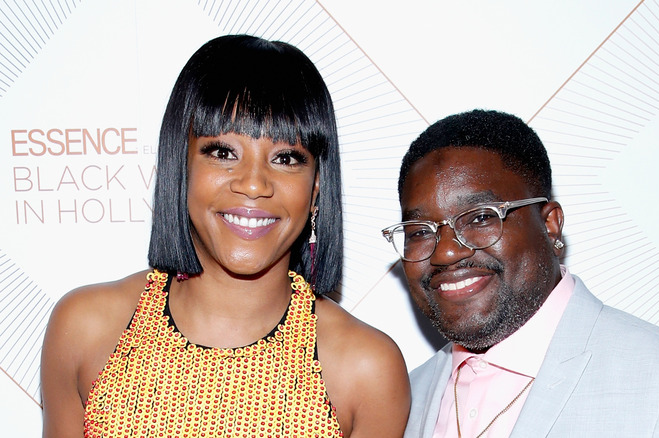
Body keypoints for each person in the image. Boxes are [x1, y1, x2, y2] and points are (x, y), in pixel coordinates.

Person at [40, 34, 410, 437]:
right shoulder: (84, 327)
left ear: (317, 186)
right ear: (180, 165)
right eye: (222, 152)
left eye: (286, 158)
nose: (253, 184)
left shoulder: (366, 369)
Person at [382, 109, 659, 437]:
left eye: (481, 217)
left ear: (550, 225)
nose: (446, 251)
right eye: (419, 232)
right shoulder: (401, 398)